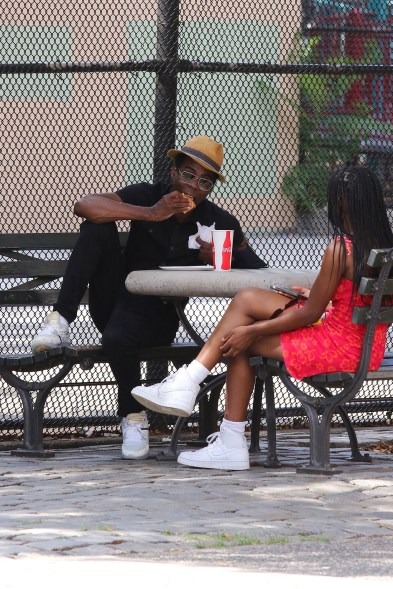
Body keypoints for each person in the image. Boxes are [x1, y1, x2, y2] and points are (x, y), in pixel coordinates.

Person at [131, 162, 393, 470]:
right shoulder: (382, 246)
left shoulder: (341, 248)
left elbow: (310, 315)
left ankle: (221, 428)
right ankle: (193, 390)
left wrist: (253, 333)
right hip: (365, 347)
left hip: (335, 347)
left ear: (341, 202)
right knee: (247, 302)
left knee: (240, 337)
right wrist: (315, 298)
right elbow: (349, 301)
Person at [30, 135, 267, 460]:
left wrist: (220, 259)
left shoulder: (218, 222)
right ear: (173, 172)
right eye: (187, 175)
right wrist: (150, 213)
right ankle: (59, 321)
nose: (193, 187)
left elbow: (256, 267)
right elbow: (84, 205)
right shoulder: (148, 195)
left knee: (117, 337)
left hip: (160, 315)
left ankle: (132, 417)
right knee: (97, 226)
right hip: (114, 301)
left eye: (204, 182)